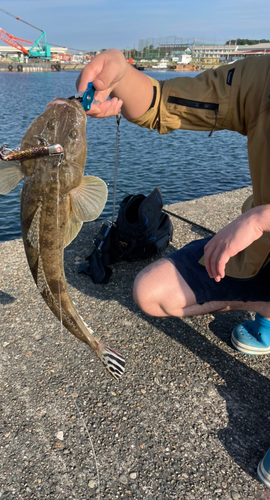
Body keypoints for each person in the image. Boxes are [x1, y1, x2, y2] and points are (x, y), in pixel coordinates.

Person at [76, 49, 270, 489]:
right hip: (260, 249)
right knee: (152, 290)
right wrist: (122, 76)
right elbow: (169, 99)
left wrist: (262, 218)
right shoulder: (264, 75)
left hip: (261, 228)